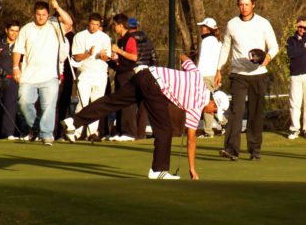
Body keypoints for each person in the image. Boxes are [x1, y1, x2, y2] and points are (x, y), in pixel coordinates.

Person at [62, 54, 209, 180]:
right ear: (213, 102)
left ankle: (73, 121)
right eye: (214, 110)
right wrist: (192, 168)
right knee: (164, 129)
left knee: (112, 102)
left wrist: (178, 78)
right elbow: (191, 139)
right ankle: (158, 170)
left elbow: (183, 57)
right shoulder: (198, 104)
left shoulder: (197, 76)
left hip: (144, 74)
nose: (211, 112)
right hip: (155, 86)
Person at [215, 0, 279, 161]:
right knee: (236, 112)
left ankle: (254, 150)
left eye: (247, 4)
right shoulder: (232, 24)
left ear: (253, 5)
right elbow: (225, 48)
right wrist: (218, 69)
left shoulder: (263, 23)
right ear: (238, 5)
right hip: (238, 75)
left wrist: (267, 58)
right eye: (240, 4)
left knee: (256, 114)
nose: (243, 8)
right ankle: (231, 150)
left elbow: (274, 47)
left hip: (259, 75)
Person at [12, 0, 73, 146]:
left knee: (49, 107)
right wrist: (15, 68)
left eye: (44, 14)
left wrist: (58, 7)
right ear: (34, 14)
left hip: (50, 75)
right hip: (29, 75)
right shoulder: (26, 29)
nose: (41, 17)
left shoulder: (55, 27)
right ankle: (36, 127)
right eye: (38, 14)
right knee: (24, 102)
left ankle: (46, 135)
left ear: (48, 14)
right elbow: (18, 49)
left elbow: (69, 23)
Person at [72, 12, 112, 141]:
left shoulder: (105, 38)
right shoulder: (80, 36)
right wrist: (88, 54)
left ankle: (92, 133)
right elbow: (76, 56)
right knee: (82, 103)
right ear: (88, 23)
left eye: (97, 24)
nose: (94, 27)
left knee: (96, 104)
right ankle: (76, 132)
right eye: (92, 24)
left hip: (100, 75)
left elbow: (107, 57)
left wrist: (102, 56)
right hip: (85, 74)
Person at [108, 13, 139, 142]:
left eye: (115, 25)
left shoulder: (129, 38)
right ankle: (120, 131)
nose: (114, 27)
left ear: (121, 25)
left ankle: (129, 132)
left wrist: (119, 52)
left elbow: (134, 57)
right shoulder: (120, 40)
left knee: (127, 104)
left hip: (128, 75)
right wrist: (113, 58)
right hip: (120, 73)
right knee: (119, 103)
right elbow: (122, 58)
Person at [128, 17, 158, 139]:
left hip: (133, 71)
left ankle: (130, 132)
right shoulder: (148, 41)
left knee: (130, 103)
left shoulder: (129, 40)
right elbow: (154, 59)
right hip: (147, 72)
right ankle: (140, 134)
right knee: (143, 104)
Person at [0, 20, 20, 140]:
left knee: (10, 107)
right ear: (6, 30)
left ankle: (8, 134)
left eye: (17, 31)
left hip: (13, 80)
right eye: (12, 30)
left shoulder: (21, 45)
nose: (14, 33)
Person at [196, 17, 222, 138]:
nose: (202, 29)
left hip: (205, 75)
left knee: (207, 104)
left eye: (203, 27)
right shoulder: (218, 41)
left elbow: (202, 60)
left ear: (208, 29)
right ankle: (225, 123)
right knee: (213, 103)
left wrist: (197, 74)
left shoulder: (206, 41)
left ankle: (208, 132)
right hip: (214, 75)